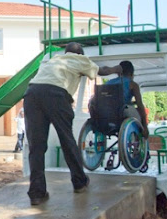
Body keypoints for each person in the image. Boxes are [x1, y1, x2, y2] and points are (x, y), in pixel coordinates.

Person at [23, 42, 121, 206]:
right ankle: (79, 182)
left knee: (36, 146)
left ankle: (36, 194)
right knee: (67, 140)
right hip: (56, 95)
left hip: (32, 93)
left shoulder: (53, 60)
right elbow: (101, 71)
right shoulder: (80, 59)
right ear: (80, 53)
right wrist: (116, 69)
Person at [105, 61, 149, 137]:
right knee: (139, 115)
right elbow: (140, 105)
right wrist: (145, 126)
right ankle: (138, 138)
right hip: (122, 112)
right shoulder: (132, 84)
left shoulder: (108, 83)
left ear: (118, 73)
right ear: (131, 73)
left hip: (106, 113)